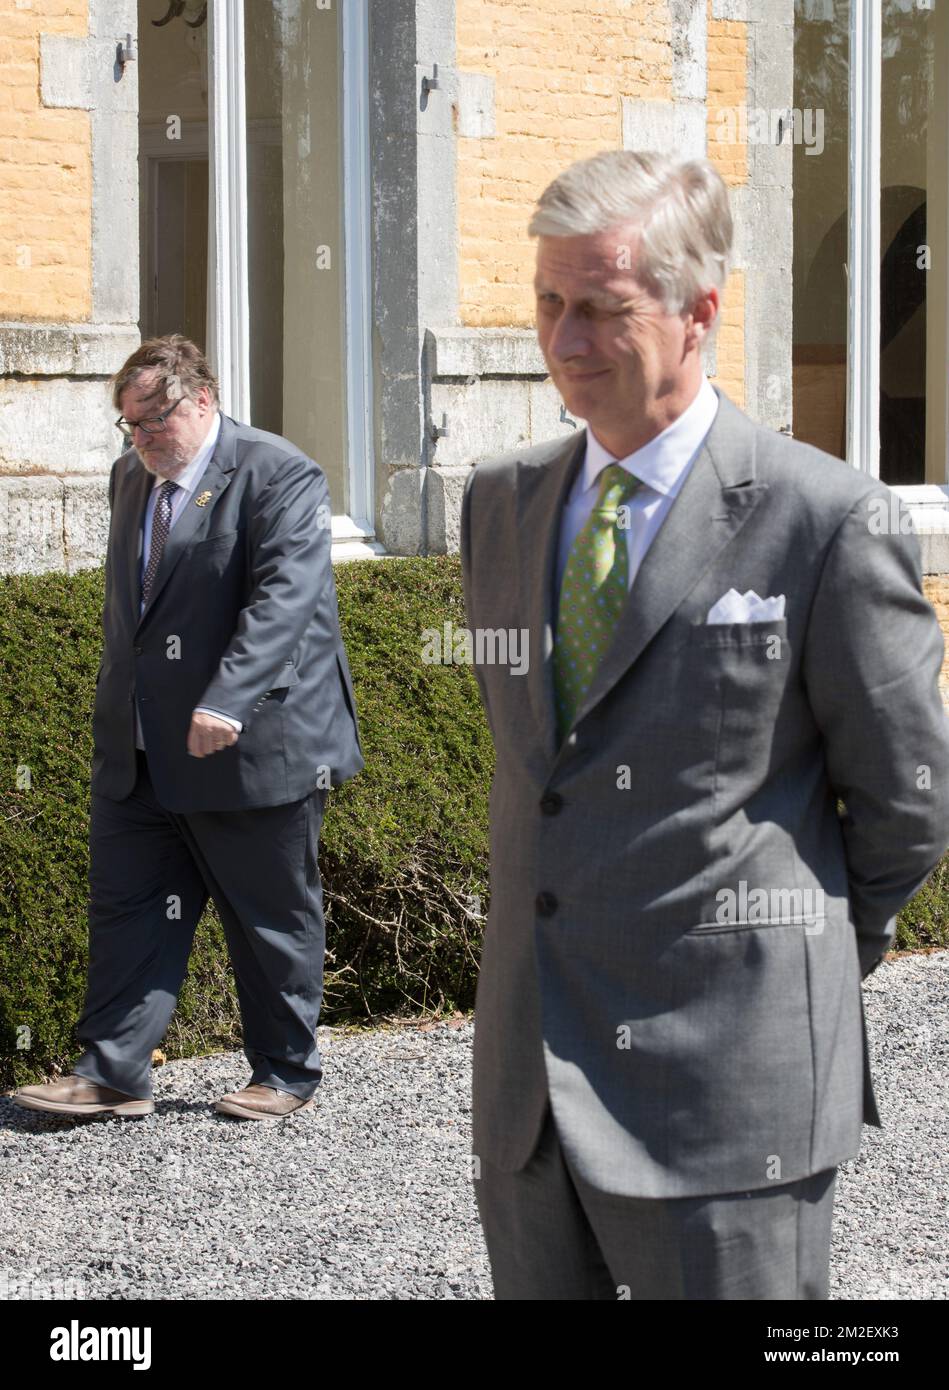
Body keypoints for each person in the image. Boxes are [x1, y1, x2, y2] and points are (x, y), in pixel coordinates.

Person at [459, 149, 949, 1299]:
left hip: (733, 1097)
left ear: (699, 313)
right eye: (547, 303)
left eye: (602, 308)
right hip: (529, 1095)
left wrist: (803, 950)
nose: (564, 340)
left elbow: (908, 800)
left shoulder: (822, 518)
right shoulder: (501, 503)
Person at [15, 335, 363, 1121]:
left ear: (201, 400)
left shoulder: (280, 474)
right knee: (129, 908)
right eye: (127, 426)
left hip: (251, 744)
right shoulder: (130, 480)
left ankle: (284, 1074)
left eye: (154, 421)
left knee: (267, 914)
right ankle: (111, 1073)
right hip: (141, 750)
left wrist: (227, 698)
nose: (140, 439)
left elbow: (285, 602)